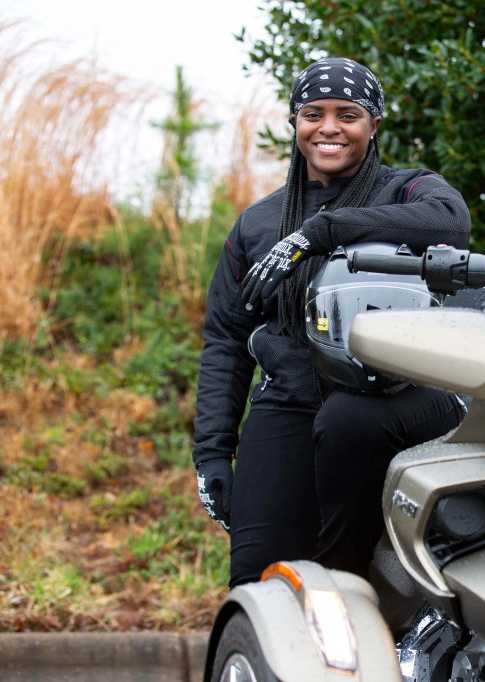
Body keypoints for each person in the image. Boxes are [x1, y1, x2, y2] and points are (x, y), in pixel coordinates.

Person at [193, 57, 470, 586]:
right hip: (292, 399)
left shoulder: (407, 190)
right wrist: (211, 451)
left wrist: (323, 232)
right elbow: (226, 339)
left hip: (399, 397)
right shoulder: (258, 223)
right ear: (294, 122)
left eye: (348, 115)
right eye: (313, 114)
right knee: (257, 579)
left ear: (374, 124)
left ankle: (353, 586)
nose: (329, 128)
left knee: (347, 424)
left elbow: (451, 223)